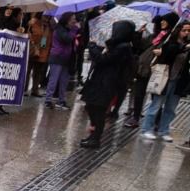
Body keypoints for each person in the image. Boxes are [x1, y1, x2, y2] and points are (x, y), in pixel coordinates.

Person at [79, 20, 137, 148]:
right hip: (100, 81)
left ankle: (95, 139)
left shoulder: (123, 47)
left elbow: (102, 60)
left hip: (106, 83)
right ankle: (93, 134)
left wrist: (92, 46)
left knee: (98, 110)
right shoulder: (117, 45)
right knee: (90, 106)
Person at [140, 21, 190, 141]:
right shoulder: (171, 43)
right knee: (156, 105)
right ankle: (147, 129)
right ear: (178, 30)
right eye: (184, 30)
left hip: (179, 81)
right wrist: (184, 48)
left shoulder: (187, 45)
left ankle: (164, 130)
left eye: (189, 31)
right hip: (165, 79)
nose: (186, 33)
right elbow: (169, 54)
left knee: (171, 108)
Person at [45, 13, 80, 109]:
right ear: (67, 19)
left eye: (75, 18)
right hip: (57, 57)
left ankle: (62, 100)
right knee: (54, 80)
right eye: (72, 18)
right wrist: (74, 29)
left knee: (64, 81)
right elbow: (67, 39)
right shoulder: (59, 29)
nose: (74, 20)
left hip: (67, 59)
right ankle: (48, 100)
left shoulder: (69, 29)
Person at [27, 13, 51, 97]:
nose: (46, 18)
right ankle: (24, 89)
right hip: (31, 50)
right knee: (27, 71)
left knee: (38, 72)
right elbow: (29, 35)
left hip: (42, 52)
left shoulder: (48, 26)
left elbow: (45, 41)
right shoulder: (33, 23)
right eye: (45, 16)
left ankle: (35, 89)